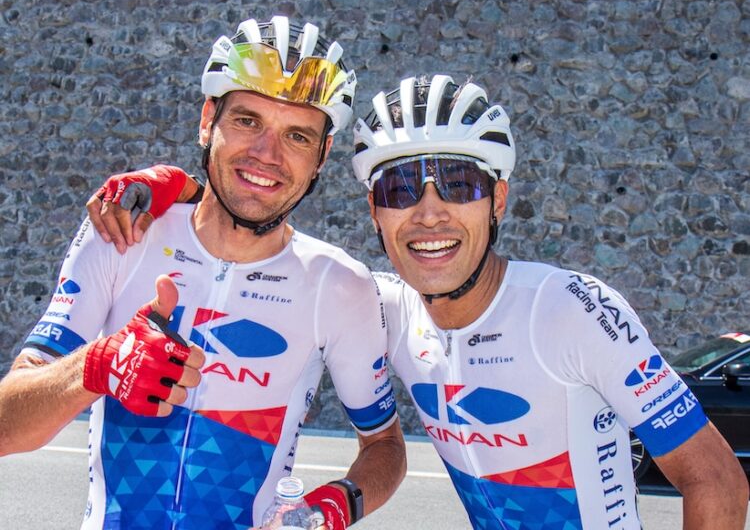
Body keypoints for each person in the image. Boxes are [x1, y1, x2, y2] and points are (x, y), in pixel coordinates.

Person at [84, 75, 750, 528]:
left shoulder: (569, 307)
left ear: (498, 200)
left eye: (458, 184)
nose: (429, 214)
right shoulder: (383, 309)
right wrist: (169, 184)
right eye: (400, 190)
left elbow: (717, 481)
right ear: (376, 213)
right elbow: (250, 226)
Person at [0, 15, 406, 530]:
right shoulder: (125, 232)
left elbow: (385, 444)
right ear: (207, 119)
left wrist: (330, 508)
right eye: (248, 122)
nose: (267, 155)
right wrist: (97, 365)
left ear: (322, 156)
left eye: (297, 136)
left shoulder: (340, 285)